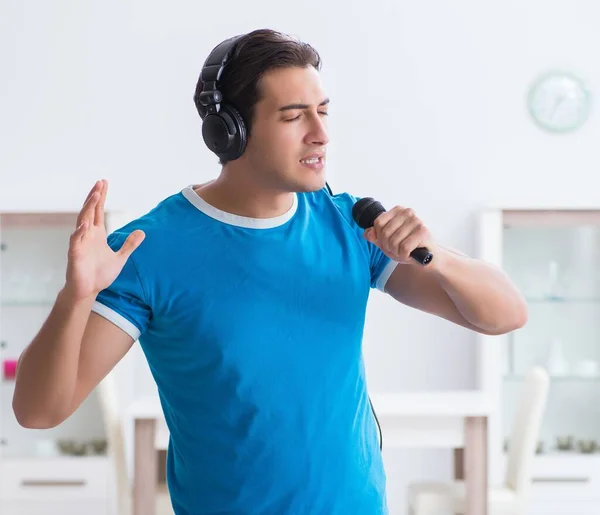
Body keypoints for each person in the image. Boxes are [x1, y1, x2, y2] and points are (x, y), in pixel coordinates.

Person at [12, 29, 528, 515]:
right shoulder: (148, 250)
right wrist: (75, 296)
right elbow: (39, 411)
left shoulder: (351, 225)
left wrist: (432, 250)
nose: (320, 133)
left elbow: (504, 315)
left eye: (323, 112)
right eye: (293, 116)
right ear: (229, 131)